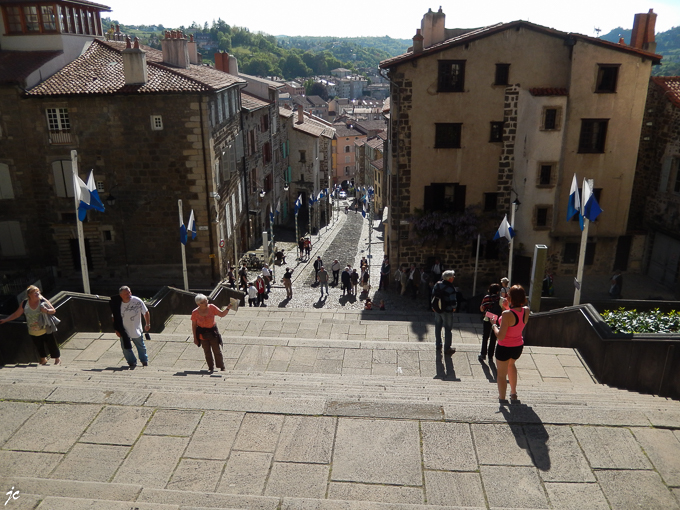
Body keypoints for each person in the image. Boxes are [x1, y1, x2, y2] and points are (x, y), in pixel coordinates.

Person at [0, 285, 61, 365]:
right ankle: (43, 359)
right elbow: (17, 314)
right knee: (39, 346)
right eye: (35, 292)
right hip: (33, 330)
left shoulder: (42, 301)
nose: (37, 293)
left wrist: (46, 310)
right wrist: (6, 319)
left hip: (45, 328)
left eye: (38, 291)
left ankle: (57, 359)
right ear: (29, 294)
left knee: (51, 344)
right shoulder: (25, 303)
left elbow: (53, 310)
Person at [492, 285, 530, 402]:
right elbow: (515, 318)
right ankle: (513, 393)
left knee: (501, 374)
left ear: (510, 298)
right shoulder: (526, 311)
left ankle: (502, 398)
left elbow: (500, 335)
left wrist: (494, 325)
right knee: (511, 365)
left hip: (504, 347)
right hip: (517, 346)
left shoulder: (506, 314)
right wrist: (506, 307)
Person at [191, 294, 231, 373]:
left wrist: (227, 308)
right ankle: (210, 367)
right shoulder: (195, 312)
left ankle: (221, 366)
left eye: (206, 300)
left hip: (212, 332)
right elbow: (194, 325)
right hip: (202, 334)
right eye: (203, 302)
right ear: (198, 304)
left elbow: (222, 314)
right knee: (207, 351)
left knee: (217, 350)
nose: (206, 303)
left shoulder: (211, 307)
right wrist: (195, 338)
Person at [112, 286, 150, 369]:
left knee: (141, 346)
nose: (129, 295)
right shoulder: (117, 303)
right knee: (126, 347)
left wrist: (147, 324)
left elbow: (146, 312)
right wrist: (116, 329)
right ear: (121, 295)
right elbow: (114, 317)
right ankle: (131, 362)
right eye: (126, 293)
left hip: (136, 328)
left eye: (129, 292)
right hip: (123, 329)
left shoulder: (137, 301)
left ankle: (144, 361)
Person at [431, 270, 457, 355]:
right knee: (448, 329)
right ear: (449, 278)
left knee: (438, 327)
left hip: (438, 309)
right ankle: (447, 348)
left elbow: (433, 296)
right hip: (447, 311)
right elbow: (453, 301)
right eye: (453, 276)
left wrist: (433, 306)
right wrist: (454, 308)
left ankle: (438, 344)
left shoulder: (437, 285)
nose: (454, 278)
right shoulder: (451, 288)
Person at [479, 283, 503, 361]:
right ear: (497, 291)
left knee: (485, 336)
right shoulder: (500, 299)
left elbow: (482, 309)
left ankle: (483, 354)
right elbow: (503, 310)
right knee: (493, 338)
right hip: (497, 320)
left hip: (487, 318)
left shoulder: (486, 298)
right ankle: (490, 355)